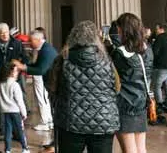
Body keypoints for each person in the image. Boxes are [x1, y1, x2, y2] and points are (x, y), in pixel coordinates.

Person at [50, 21, 119, 153]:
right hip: (103, 122)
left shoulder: (62, 59)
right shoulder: (107, 61)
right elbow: (117, 87)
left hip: (70, 122)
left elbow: (52, 88)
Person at [111, 13, 153, 153]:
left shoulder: (120, 54)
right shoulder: (148, 50)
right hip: (141, 102)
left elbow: (113, 78)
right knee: (141, 148)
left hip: (125, 104)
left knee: (129, 150)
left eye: (119, 29)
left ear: (124, 30)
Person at [13, 28, 57, 132]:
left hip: (47, 79)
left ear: (37, 40)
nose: (29, 43)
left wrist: (23, 67)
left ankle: (45, 122)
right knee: (43, 99)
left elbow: (41, 69)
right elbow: (38, 65)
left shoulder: (46, 50)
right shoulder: (44, 48)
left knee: (42, 99)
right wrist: (24, 65)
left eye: (31, 40)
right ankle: (48, 121)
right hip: (48, 79)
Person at [0, 23, 29, 139]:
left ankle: (18, 131)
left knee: (18, 101)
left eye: (6, 32)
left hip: (15, 77)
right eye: (2, 33)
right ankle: (3, 131)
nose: (5, 35)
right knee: (1, 104)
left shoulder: (17, 43)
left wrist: (19, 64)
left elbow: (25, 58)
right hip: (0, 78)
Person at [0, 62, 30, 153]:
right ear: (10, 72)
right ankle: (25, 148)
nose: (17, 72)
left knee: (7, 131)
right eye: (15, 71)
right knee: (19, 130)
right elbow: (20, 101)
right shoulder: (15, 85)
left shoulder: (0, 84)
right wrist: (24, 113)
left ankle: (7, 149)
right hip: (15, 111)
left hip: (5, 111)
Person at [150, 23, 167, 104]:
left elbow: (154, 52)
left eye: (157, 29)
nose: (155, 31)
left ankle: (160, 103)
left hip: (163, 67)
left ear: (161, 29)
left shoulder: (159, 38)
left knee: (157, 86)